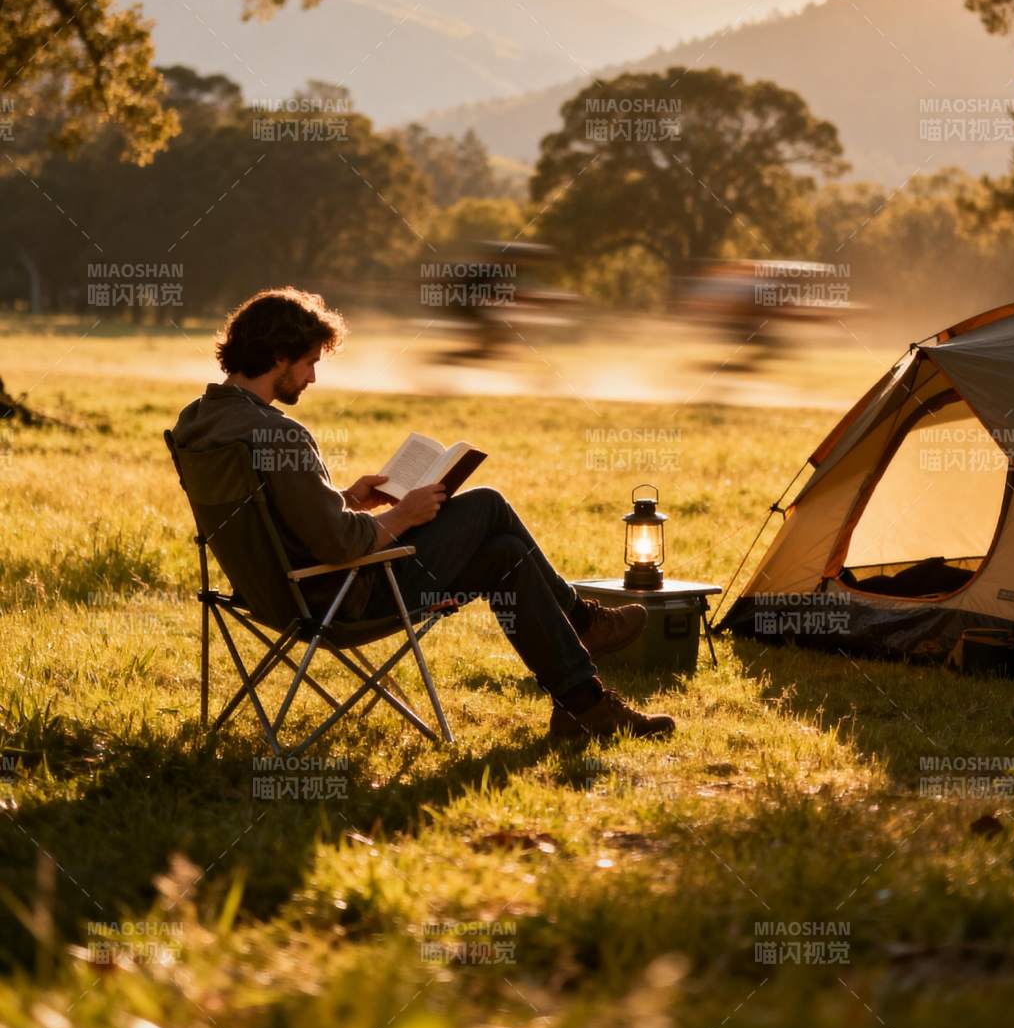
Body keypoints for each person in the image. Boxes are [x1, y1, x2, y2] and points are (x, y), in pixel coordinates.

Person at [170, 287, 675, 741]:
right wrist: (405, 514)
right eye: (307, 362)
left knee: (505, 556)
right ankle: (583, 623)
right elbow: (339, 546)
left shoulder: (199, 422)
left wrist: (345, 498)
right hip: (343, 597)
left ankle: (582, 705)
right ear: (278, 356)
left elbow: (276, 518)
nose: (313, 376)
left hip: (273, 596)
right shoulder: (278, 433)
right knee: (487, 506)